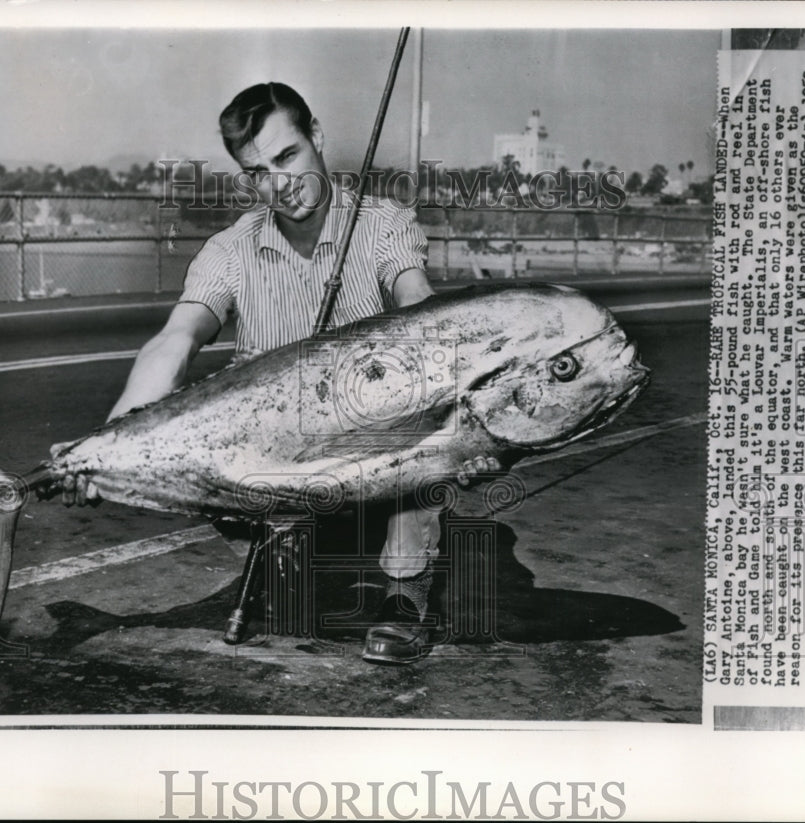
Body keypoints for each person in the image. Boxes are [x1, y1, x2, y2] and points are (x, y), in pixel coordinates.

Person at [61, 82, 497, 664]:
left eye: (287, 156)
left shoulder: (383, 223)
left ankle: (406, 598)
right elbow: (176, 340)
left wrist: (468, 428)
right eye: (257, 172)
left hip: (373, 456)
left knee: (419, 427)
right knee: (294, 611)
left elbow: (419, 303)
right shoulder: (229, 250)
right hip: (278, 468)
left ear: (316, 136)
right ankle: (296, 545)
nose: (278, 183)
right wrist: (107, 441)